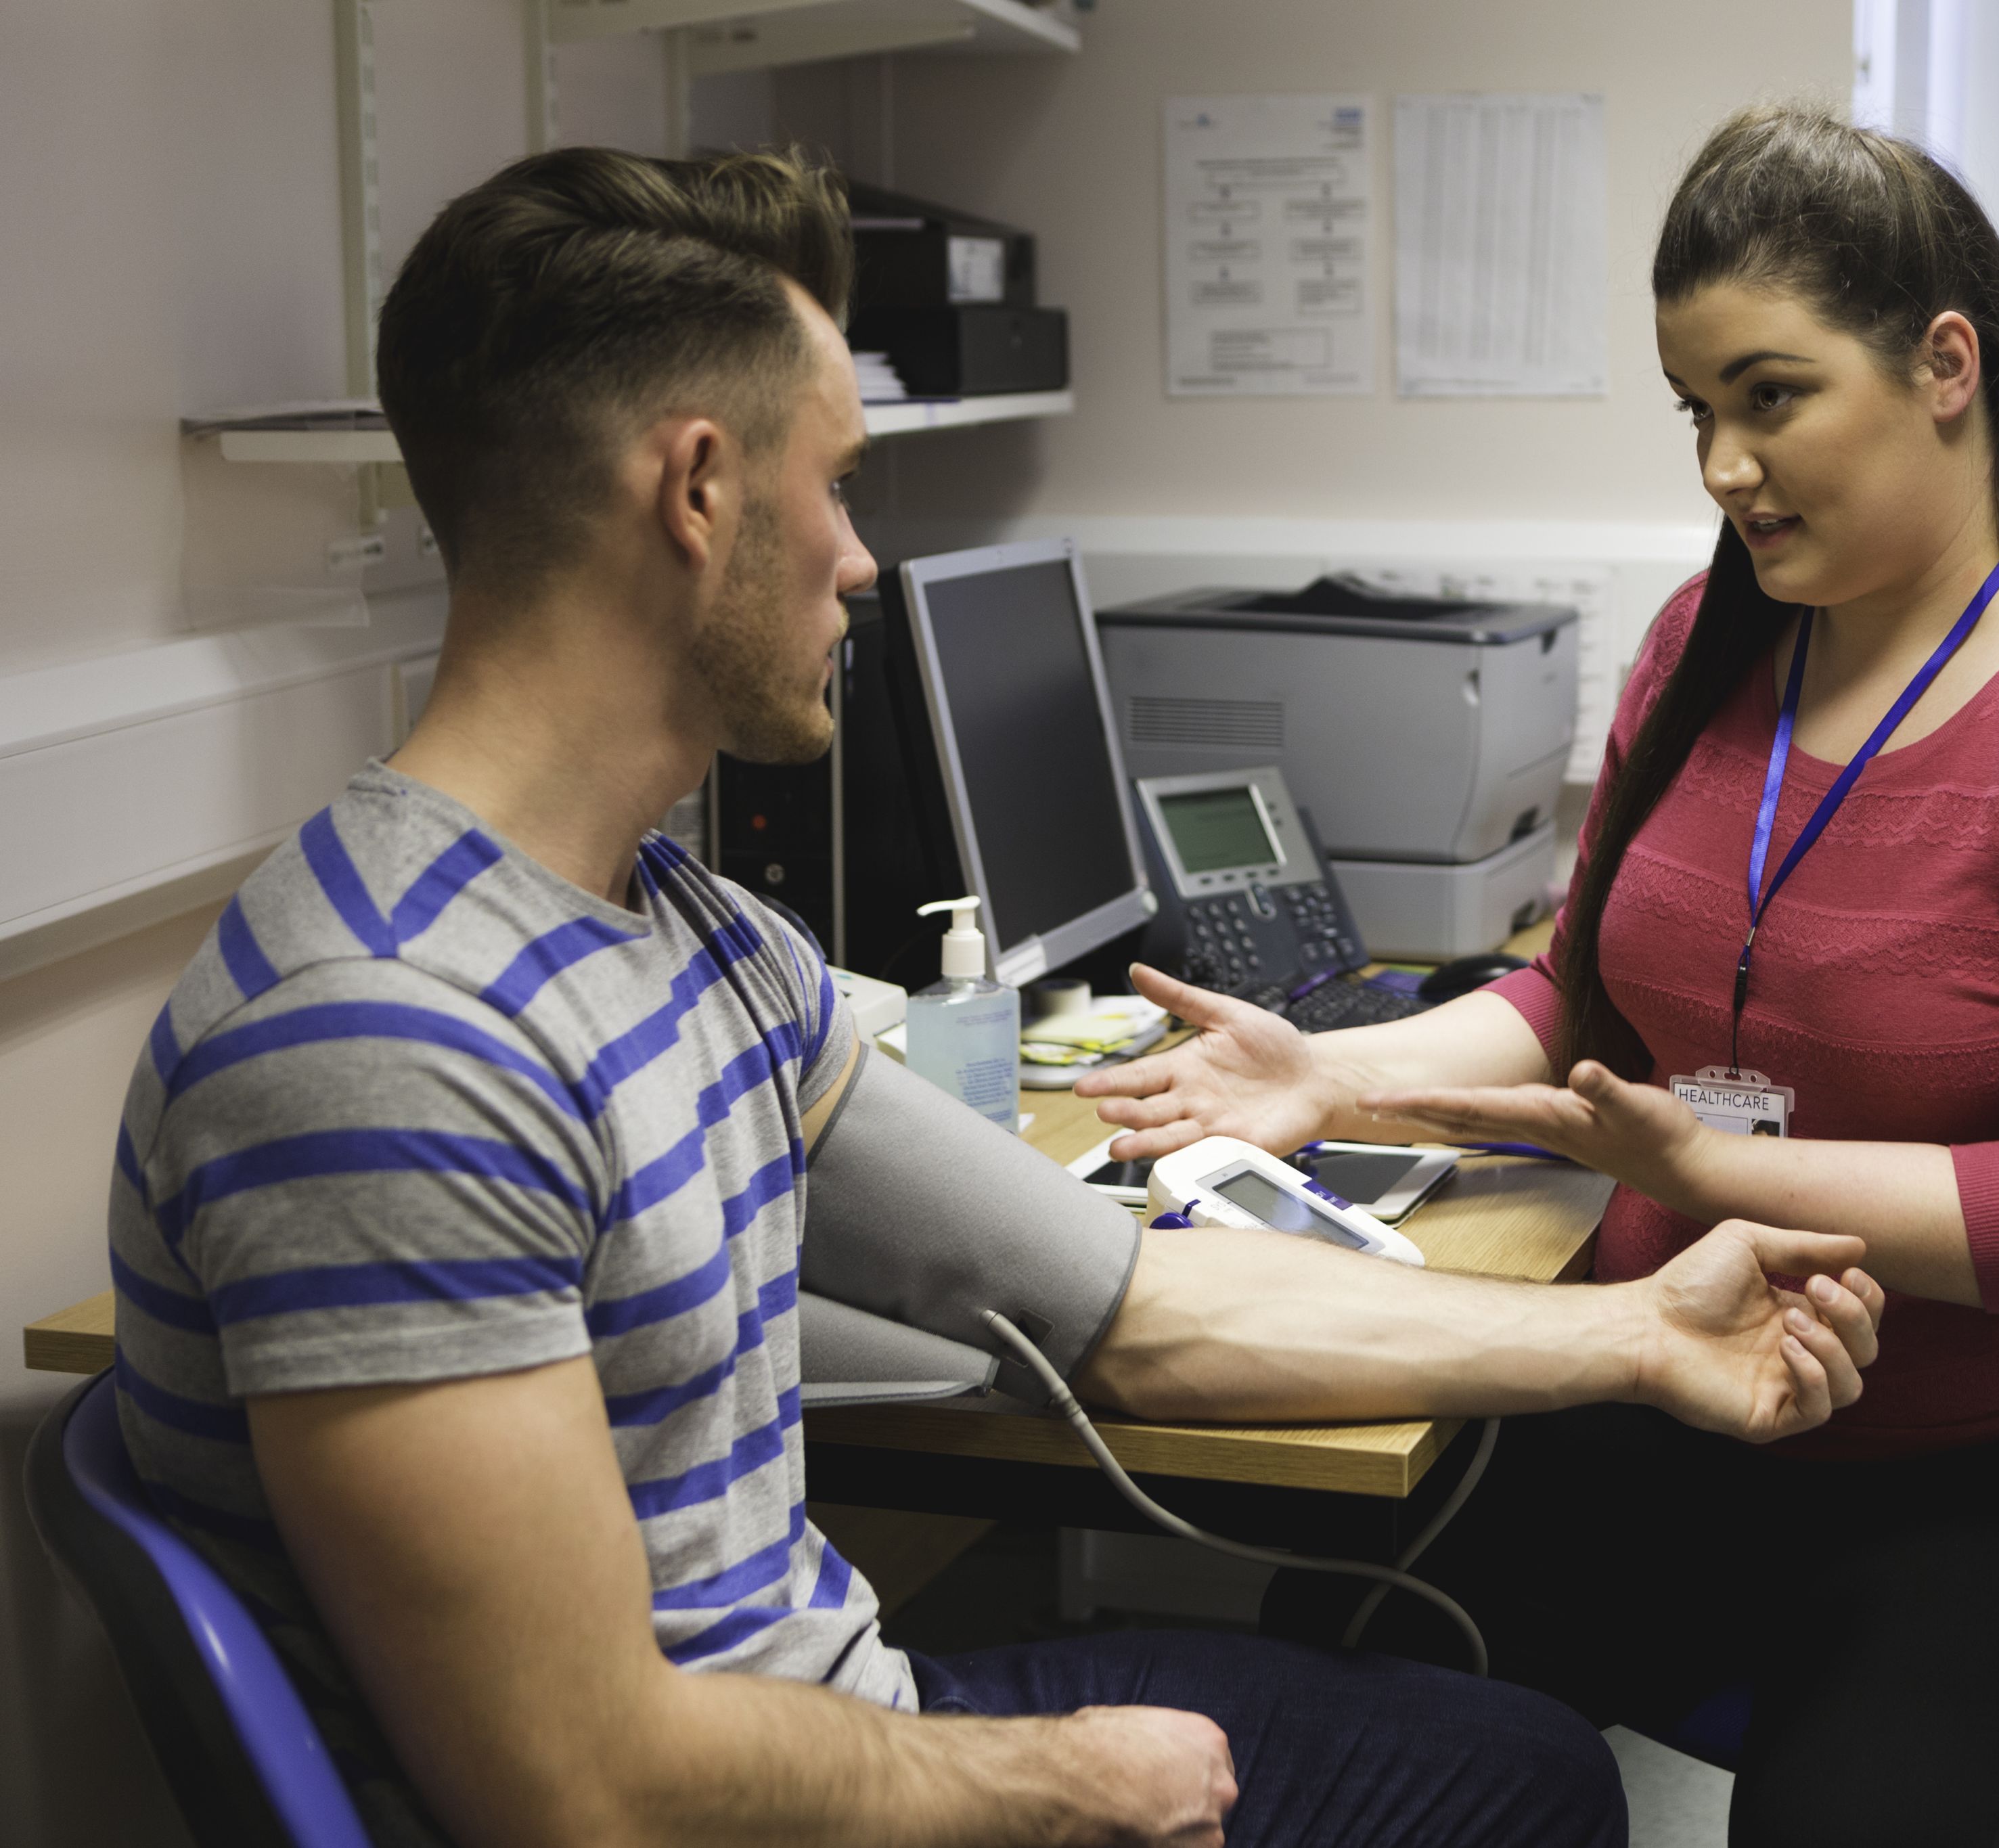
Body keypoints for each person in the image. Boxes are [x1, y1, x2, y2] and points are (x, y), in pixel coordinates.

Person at [105, 145, 1890, 1848]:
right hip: (702, 1800)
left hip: (812, 1718)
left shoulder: (683, 930)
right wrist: (1059, 1784)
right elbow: (586, 1794)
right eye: (840, 486)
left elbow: (1119, 1301)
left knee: (1510, 1762)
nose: (863, 561)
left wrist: (1643, 1333)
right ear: (699, 489)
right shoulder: (384, 1044)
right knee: (1521, 1790)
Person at [1079, 104, 1999, 1848]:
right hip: (1699, 1380)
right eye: (1697, 412)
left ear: (1946, 365)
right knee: (1340, 1716)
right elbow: (1589, 1000)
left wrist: (1705, 1172)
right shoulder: (1706, 642)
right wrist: (1332, 1075)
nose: (1723, 465)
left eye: (1771, 396)